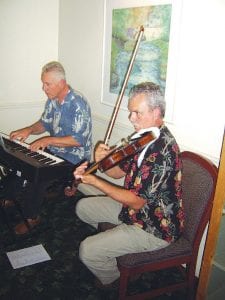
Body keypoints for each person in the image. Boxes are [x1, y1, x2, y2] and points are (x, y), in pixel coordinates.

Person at [74, 82, 184, 288]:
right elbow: (117, 172)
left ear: (156, 112)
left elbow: (136, 202)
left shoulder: (162, 150)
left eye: (137, 113)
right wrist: (103, 161)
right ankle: (113, 246)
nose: (131, 118)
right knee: (83, 208)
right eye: (130, 112)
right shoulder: (144, 138)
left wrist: (96, 181)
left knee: (87, 250)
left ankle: (114, 279)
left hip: (155, 227)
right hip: (134, 213)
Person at [3, 61, 92, 235]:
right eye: (43, 83)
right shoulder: (53, 100)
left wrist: (48, 140)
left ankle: (32, 217)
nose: (44, 88)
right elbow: (44, 123)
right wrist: (29, 129)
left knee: (38, 176)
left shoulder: (77, 104)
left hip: (75, 157)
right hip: (55, 151)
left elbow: (78, 140)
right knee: (23, 161)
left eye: (47, 84)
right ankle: (9, 196)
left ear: (61, 83)